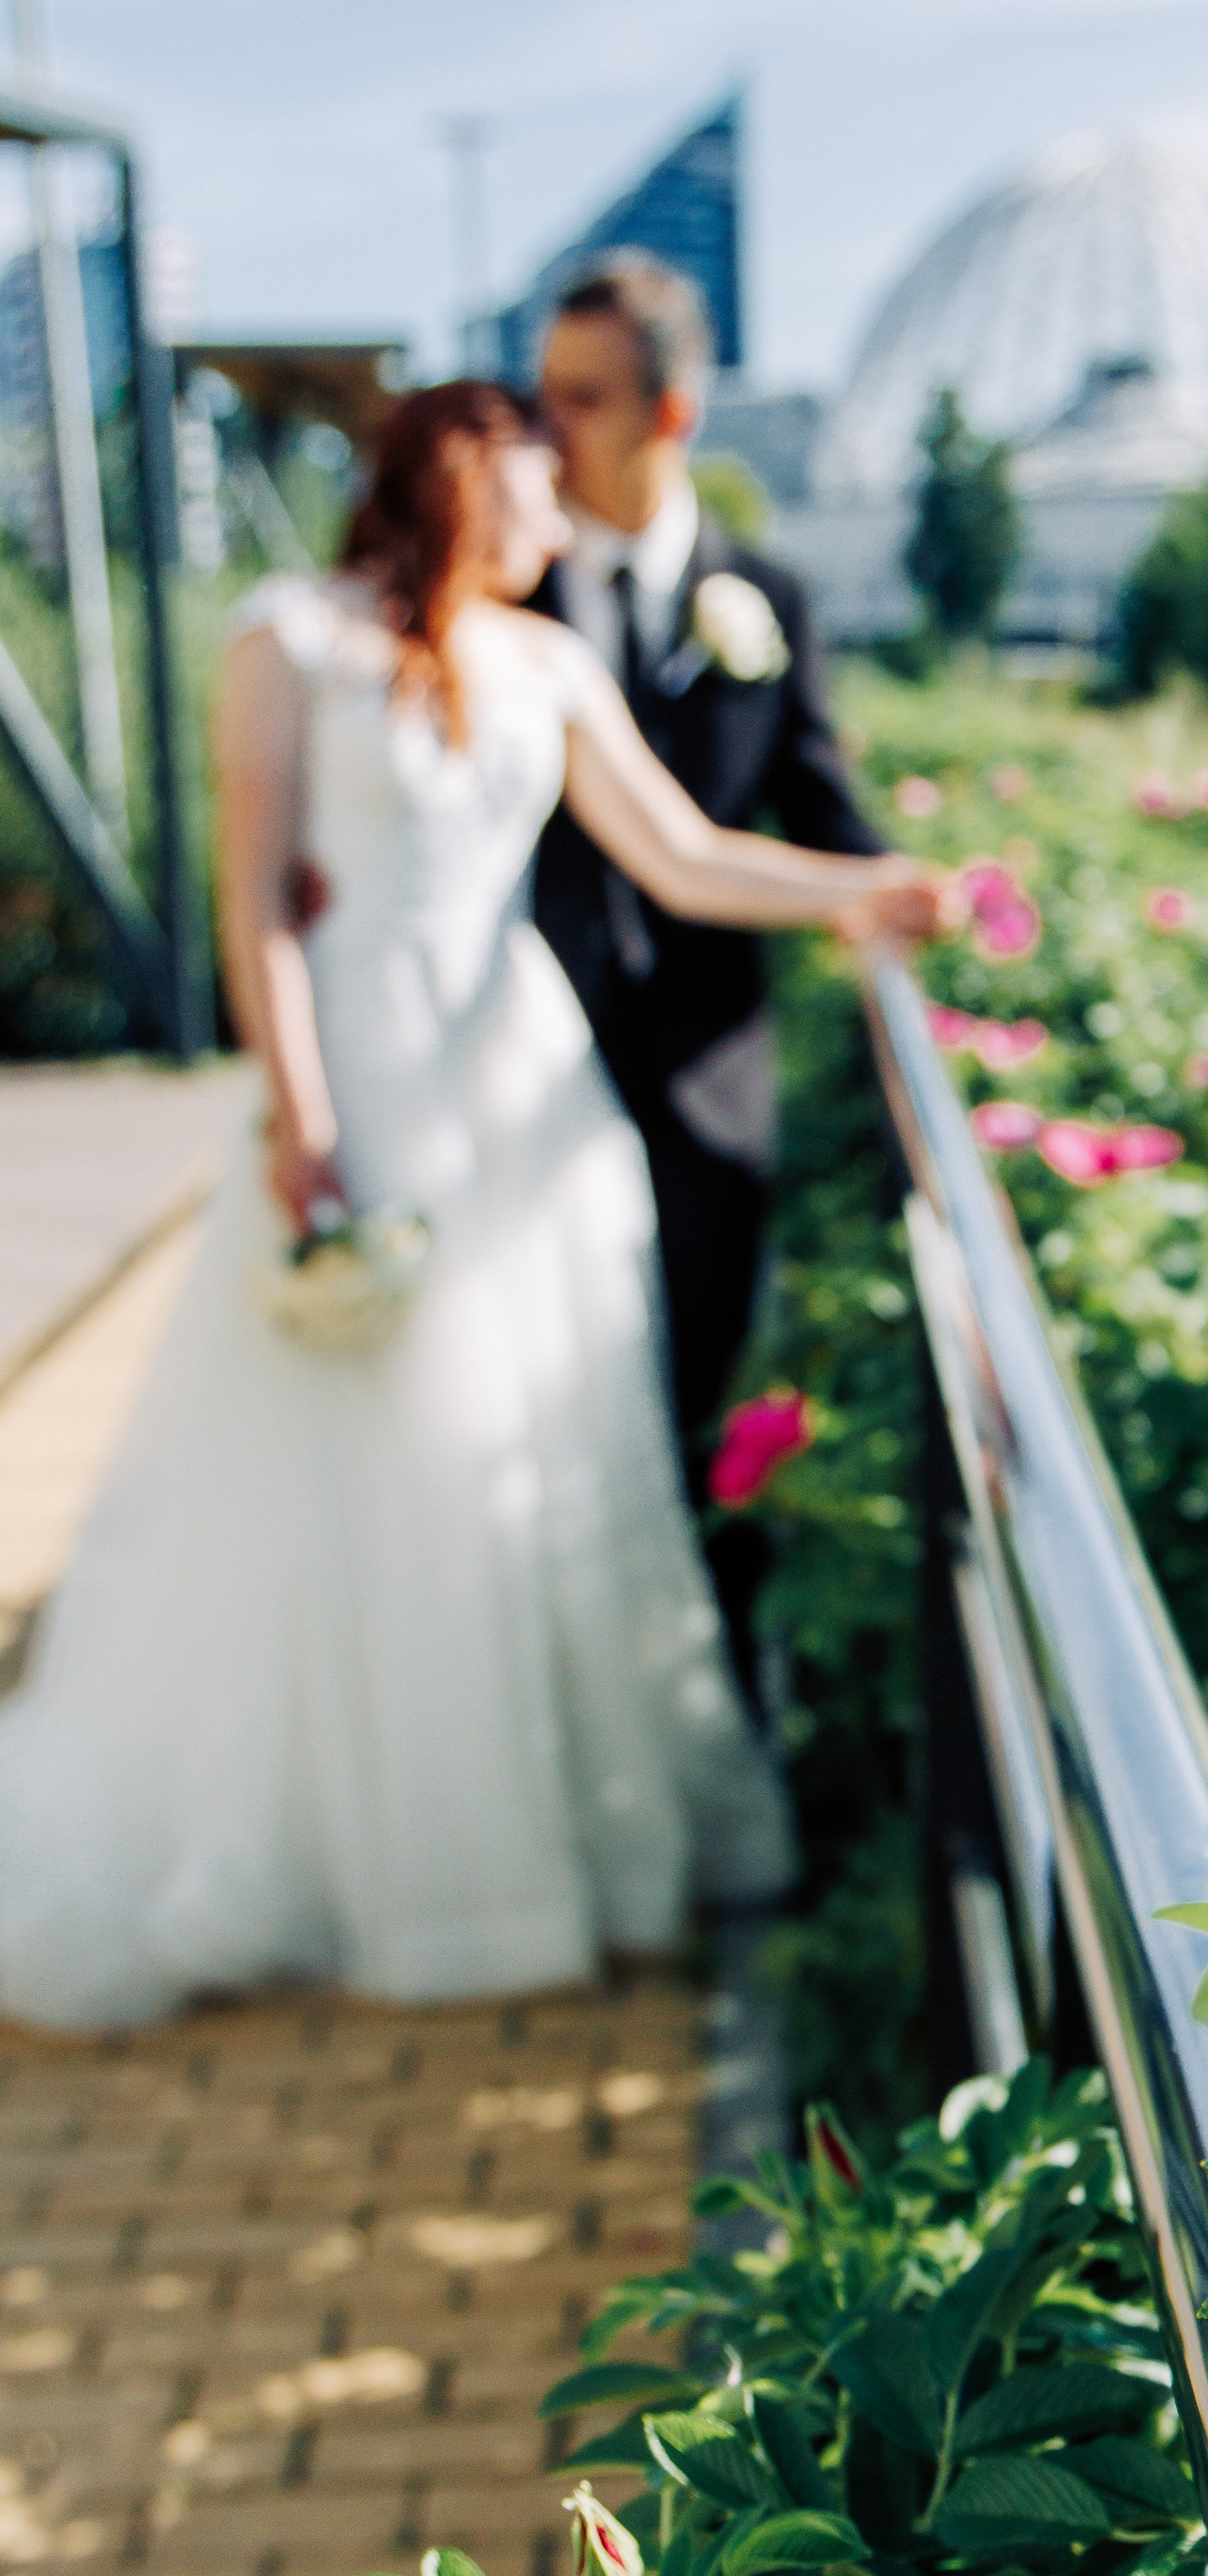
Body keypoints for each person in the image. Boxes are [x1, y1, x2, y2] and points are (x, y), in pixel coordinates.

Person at [0, 380, 937, 2035]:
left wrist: (865, 895)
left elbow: (685, 854)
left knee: (528, 1450)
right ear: (461, 470)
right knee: (361, 1459)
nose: (563, 523)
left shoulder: (547, 664)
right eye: (537, 487)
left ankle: (539, 1836)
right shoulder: (286, 646)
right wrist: (303, 1120)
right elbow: (261, 902)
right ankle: (359, 1852)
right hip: (358, 1085)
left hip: (518, 1097)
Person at [530, 253, 882, 1535]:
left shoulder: (769, 599)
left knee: (701, 1410)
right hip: (523, 1078)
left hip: (707, 1082)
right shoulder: (498, 591)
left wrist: (900, 904)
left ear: (669, 413)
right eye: (543, 395)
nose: (545, 430)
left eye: (580, 399)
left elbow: (825, 802)